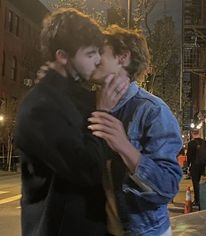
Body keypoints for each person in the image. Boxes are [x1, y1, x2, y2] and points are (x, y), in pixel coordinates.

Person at [14, 8, 129, 236]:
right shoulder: (41, 107)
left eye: (98, 52)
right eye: (89, 54)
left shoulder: (72, 97)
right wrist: (102, 111)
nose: (97, 60)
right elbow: (87, 170)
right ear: (62, 56)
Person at [88, 25, 183, 236]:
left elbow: (167, 187)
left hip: (144, 231)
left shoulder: (152, 111)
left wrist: (124, 147)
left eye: (99, 52)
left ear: (123, 57)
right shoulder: (85, 107)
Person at [186, 129, 206, 206]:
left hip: (194, 166)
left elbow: (189, 156)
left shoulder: (191, 143)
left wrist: (188, 166)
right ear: (199, 133)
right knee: (202, 183)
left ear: (192, 134)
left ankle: (197, 200)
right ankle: (203, 200)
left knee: (195, 183)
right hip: (203, 166)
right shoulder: (205, 143)